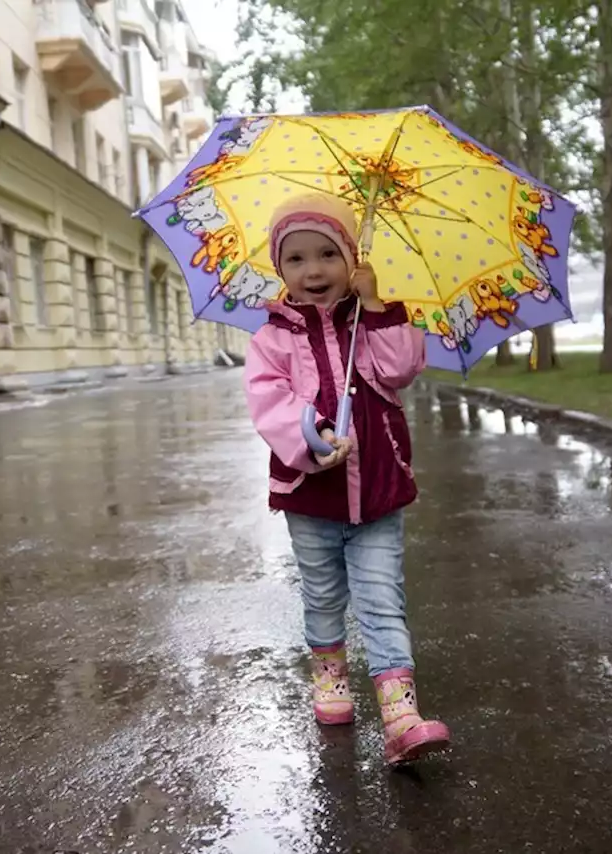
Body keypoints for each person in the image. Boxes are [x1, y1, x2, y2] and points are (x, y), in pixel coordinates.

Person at [243, 193, 451, 765]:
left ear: (353, 259)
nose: (314, 270)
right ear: (280, 269)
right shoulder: (272, 339)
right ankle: (330, 677)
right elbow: (268, 402)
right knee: (324, 595)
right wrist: (311, 438)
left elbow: (401, 368)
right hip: (310, 496)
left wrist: (377, 304)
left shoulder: (374, 319)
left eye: (329, 254)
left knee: (383, 601)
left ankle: (400, 715)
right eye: (297, 259)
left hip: (378, 492)